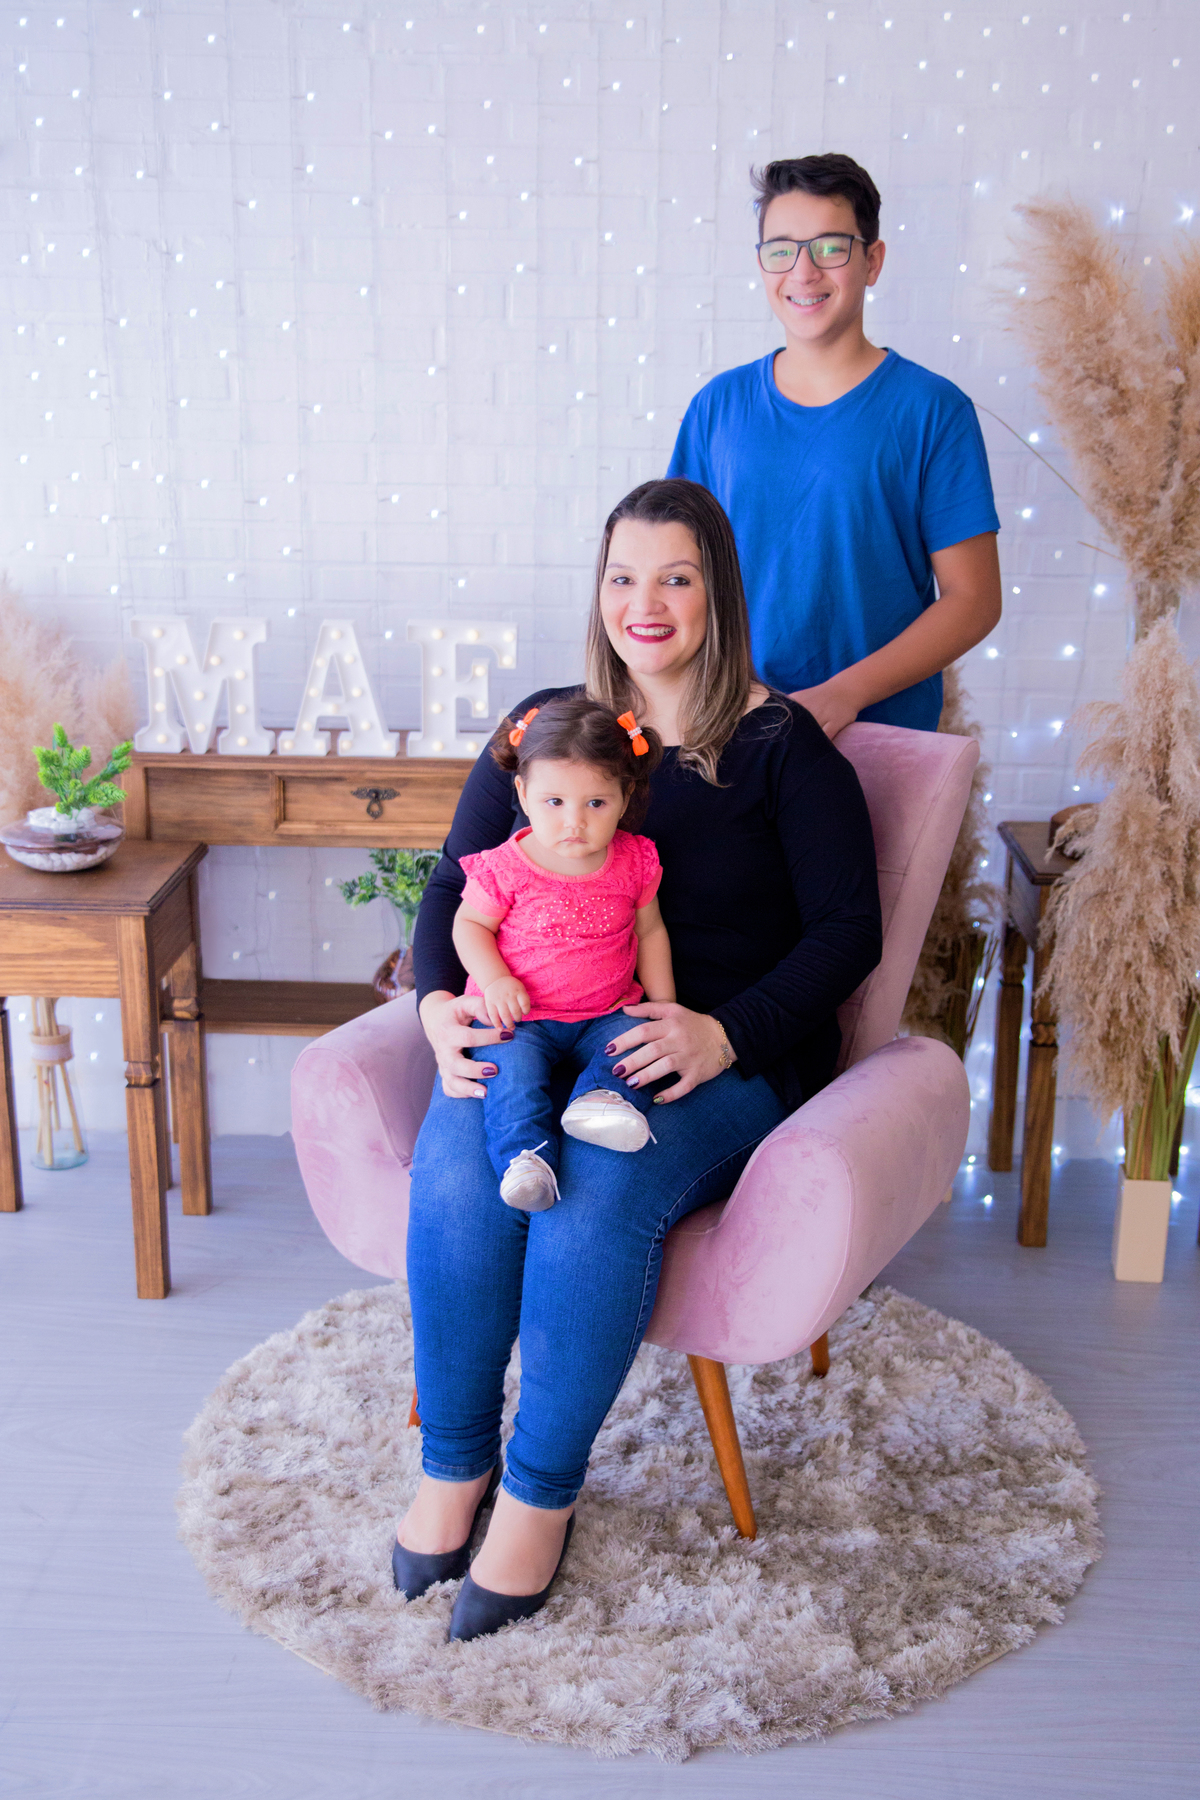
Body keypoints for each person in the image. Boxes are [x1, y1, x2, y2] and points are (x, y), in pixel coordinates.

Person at [396, 477, 882, 1644]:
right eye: (623, 576)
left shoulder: (781, 747)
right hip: (543, 1027)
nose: (645, 603)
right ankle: (454, 1465)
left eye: (675, 577)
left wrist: (727, 1032)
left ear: (716, 590)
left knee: (597, 1185)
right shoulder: (549, 729)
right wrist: (433, 1007)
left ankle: (537, 1494)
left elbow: (848, 933)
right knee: (467, 1151)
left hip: (709, 1054)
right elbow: (456, 888)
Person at [667, 152, 1002, 739]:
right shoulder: (717, 408)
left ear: (872, 261)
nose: (803, 271)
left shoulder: (932, 411)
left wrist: (845, 694)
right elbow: (676, 570)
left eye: (829, 247)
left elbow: (973, 599)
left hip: (879, 735)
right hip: (730, 729)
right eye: (782, 249)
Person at [449, 695, 675, 1213]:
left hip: (606, 1011)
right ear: (524, 794)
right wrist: (496, 979)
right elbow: (468, 926)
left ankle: (600, 1100)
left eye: (595, 803)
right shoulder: (506, 867)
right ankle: (525, 1161)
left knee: (638, 1052)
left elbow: (652, 931)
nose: (574, 822)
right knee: (512, 1078)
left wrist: (663, 1006)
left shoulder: (634, 859)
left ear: (625, 797)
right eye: (555, 803)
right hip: (521, 1016)